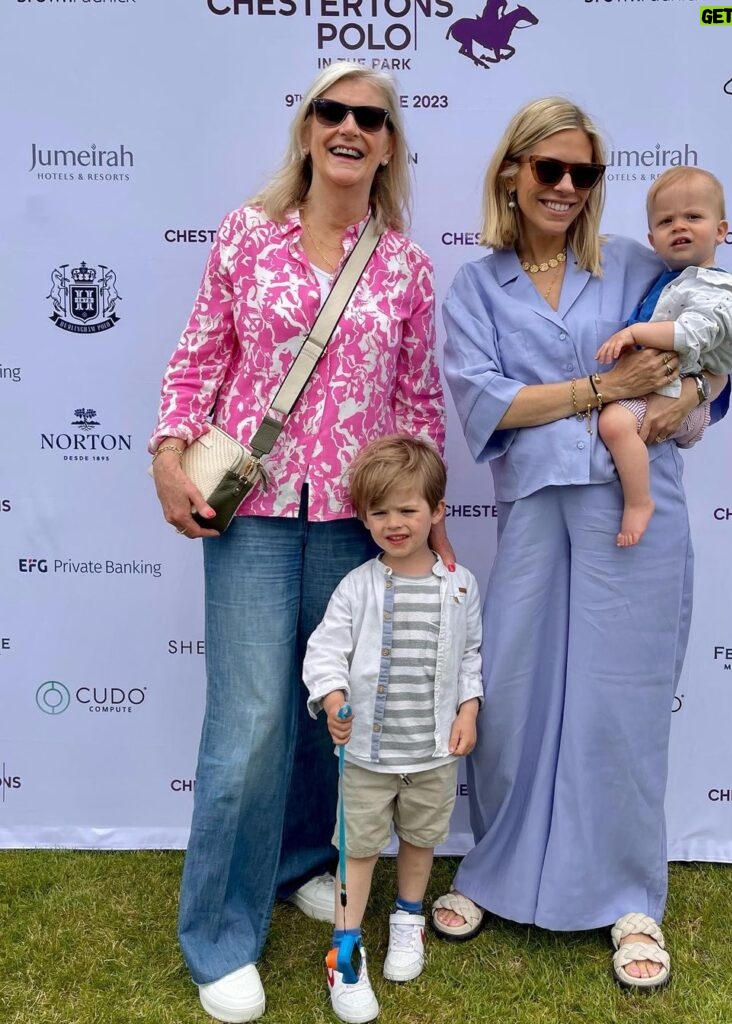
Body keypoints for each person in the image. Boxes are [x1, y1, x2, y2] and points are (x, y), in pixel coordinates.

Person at [149, 63, 453, 1023]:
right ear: (308, 127)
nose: (351, 127)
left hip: (355, 523)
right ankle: (220, 934)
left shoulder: (402, 264)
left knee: (336, 711)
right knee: (247, 725)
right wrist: (167, 452)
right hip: (250, 507)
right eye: (335, 111)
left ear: (390, 143)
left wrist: (425, 519)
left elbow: (416, 404)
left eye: (372, 117)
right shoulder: (248, 234)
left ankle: (297, 865)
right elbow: (201, 350)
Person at [431, 97, 732, 990]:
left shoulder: (643, 265)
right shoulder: (477, 286)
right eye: (548, 170)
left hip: (634, 508)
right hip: (533, 506)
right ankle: (494, 870)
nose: (565, 187)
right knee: (514, 696)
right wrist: (602, 390)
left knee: (620, 702)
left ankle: (628, 894)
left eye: (584, 173)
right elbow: (487, 403)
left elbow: (709, 363)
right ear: (512, 176)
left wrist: (684, 403)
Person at [302, 435, 482, 1023]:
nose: (394, 523)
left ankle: (408, 920)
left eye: (408, 509)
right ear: (363, 518)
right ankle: (345, 951)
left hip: (432, 753)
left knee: (421, 841)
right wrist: (332, 698)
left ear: (437, 511)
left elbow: (471, 655)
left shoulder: (461, 585)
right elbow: (325, 652)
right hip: (366, 759)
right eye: (379, 512)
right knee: (356, 852)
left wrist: (468, 709)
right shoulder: (358, 586)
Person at [595, 166, 732, 545]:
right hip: (663, 392)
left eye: (693, 217)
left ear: (721, 230)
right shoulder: (674, 279)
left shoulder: (714, 287)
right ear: (652, 239)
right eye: (666, 221)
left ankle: (639, 502)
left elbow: (690, 334)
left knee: (614, 424)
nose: (679, 226)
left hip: (682, 400)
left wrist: (634, 333)